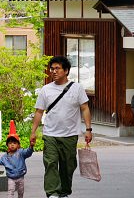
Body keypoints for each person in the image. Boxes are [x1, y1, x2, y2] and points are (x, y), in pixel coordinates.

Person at [29, 56, 92, 198]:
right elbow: (39, 111)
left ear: (66, 71)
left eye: (57, 68)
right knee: (50, 163)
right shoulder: (46, 90)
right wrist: (33, 132)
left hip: (70, 135)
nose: (54, 71)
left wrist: (88, 129)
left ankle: (64, 191)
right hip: (50, 134)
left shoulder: (77, 88)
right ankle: (52, 193)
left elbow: (85, 108)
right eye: (52, 69)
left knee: (68, 166)